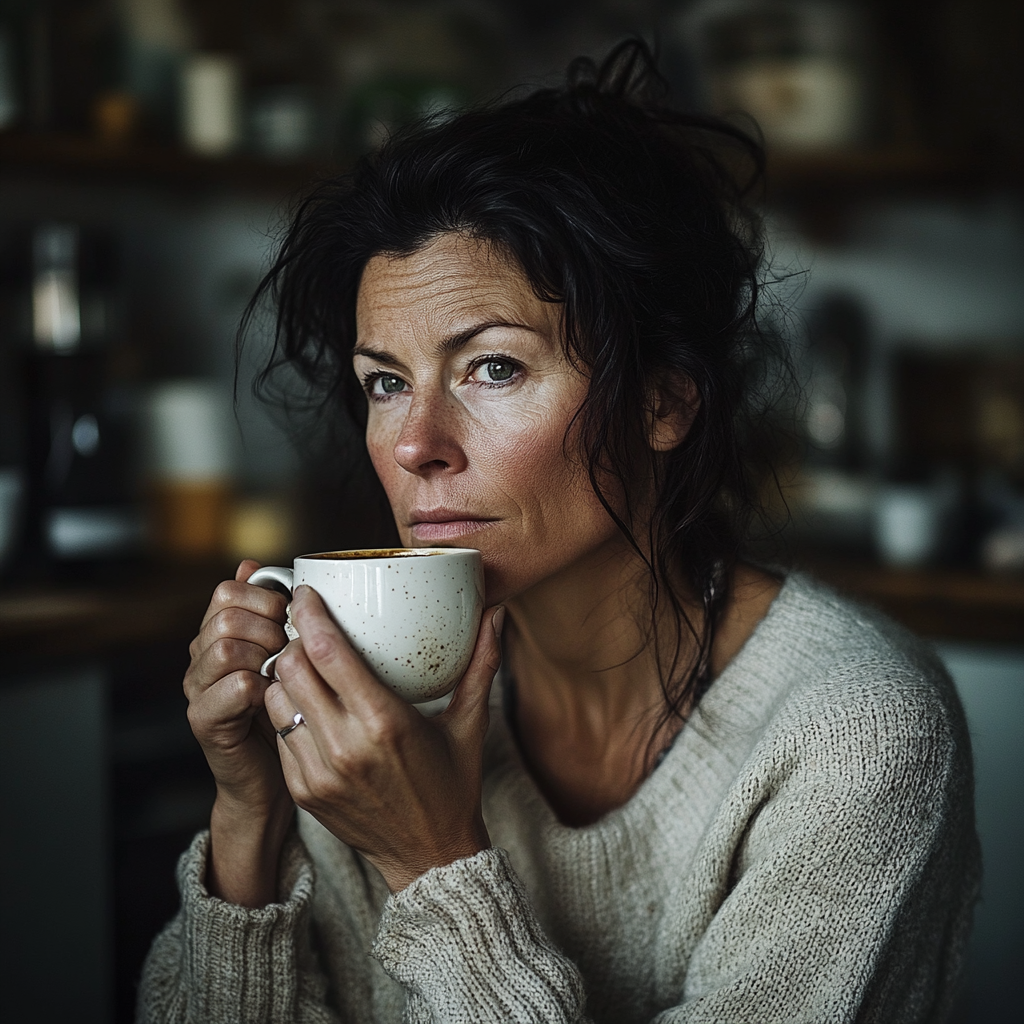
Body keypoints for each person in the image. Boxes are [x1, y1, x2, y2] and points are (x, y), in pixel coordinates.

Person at [139, 42, 979, 1024]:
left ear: (664, 400)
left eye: (491, 368)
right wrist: (250, 815)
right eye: (385, 381)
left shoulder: (855, 735)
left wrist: (433, 862)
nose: (415, 445)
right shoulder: (372, 702)